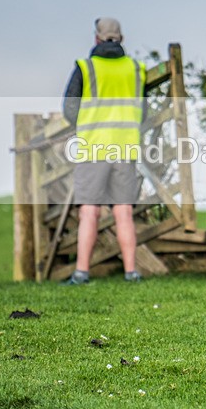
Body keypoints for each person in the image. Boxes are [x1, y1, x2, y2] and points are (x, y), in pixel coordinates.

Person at [62, 17, 146, 284]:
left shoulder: (86, 67)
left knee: (89, 210)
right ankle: (131, 272)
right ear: (121, 38)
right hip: (126, 146)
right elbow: (143, 111)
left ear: (96, 38)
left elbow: (69, 108)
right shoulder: (135, 68)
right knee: (123, 211)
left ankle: (81, 273)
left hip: (93, 146)